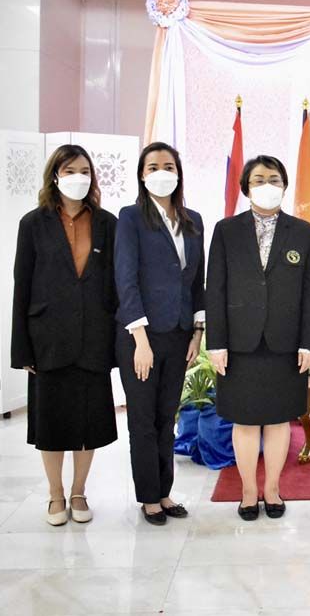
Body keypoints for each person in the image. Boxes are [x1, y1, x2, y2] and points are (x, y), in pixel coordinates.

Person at [206, 155, 310, 521]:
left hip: (286, 345)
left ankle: (271, 488)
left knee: (278, 420)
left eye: (274, 179)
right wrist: (216, 343)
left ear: (284, 186)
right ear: (246, 187)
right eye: (258, 179)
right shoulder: (226, 230)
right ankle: (247, 491)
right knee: (243, 421)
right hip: (238, 345)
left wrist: (308, 342)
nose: (267, 185)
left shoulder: (303, 232)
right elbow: (215, 289)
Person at [11, 145, 118, 526]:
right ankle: (55, 494)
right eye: (70, 171)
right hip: (48, 339)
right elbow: (22, 286)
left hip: (94, 336)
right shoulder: (32, 224)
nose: (78, 178)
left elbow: (114, 286)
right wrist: (21, 348)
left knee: (89, 422)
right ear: (55, 176)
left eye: (84, 171)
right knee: (52, 422)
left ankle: (78, 491)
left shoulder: (107, 223)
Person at [114, 142, 205, 526]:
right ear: (142, 174)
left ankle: (165, 492)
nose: (161, 172)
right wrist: (141, 341)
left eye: (168, 165)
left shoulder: (193, 220)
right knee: (143, 420)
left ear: (178, 173)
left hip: (179, 333)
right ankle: (149, 497)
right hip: (141, 337)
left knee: (167, 417)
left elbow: (197, 281)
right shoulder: (131, 217)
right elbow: (126, 279)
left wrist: (197, 332)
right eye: (153, 166)